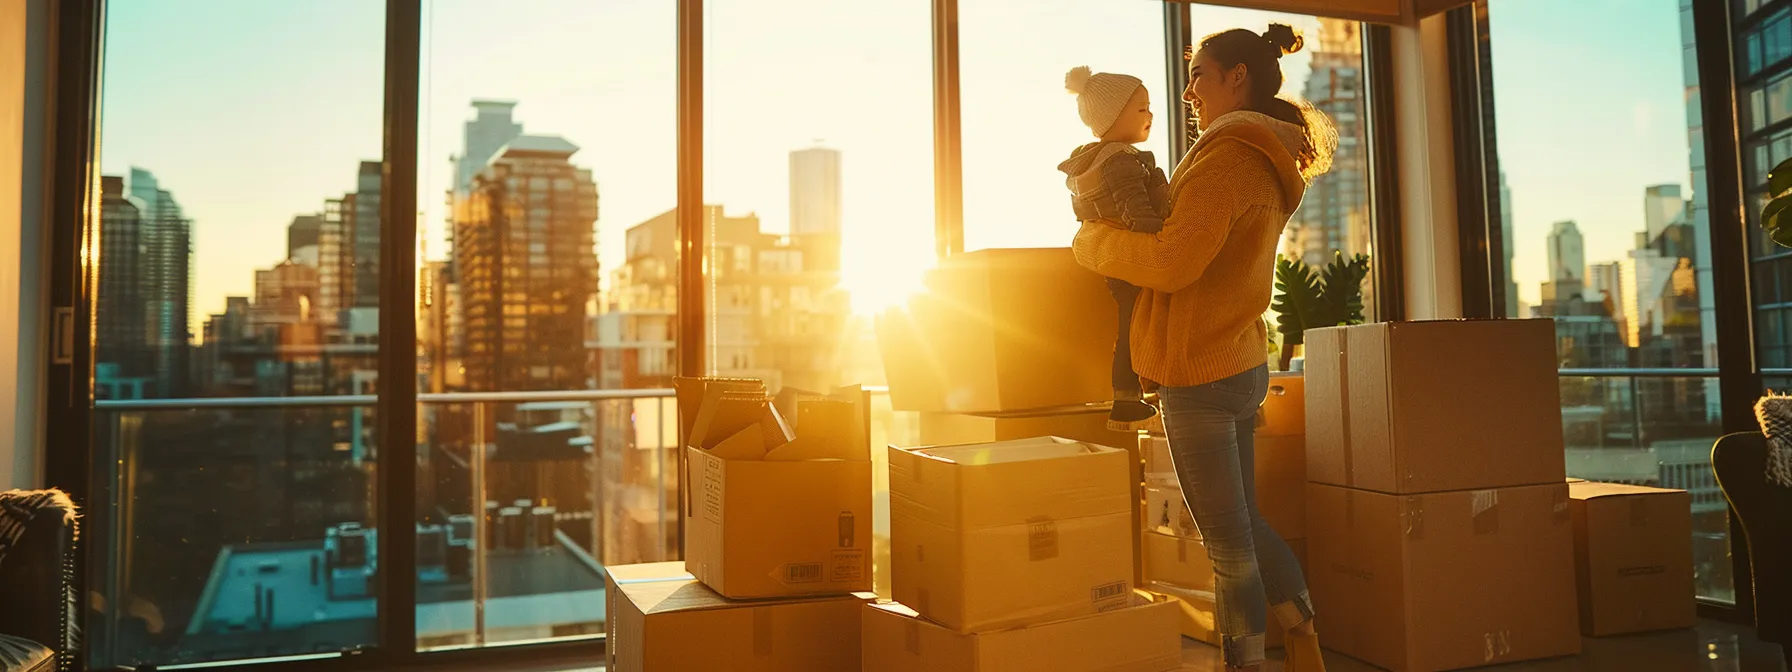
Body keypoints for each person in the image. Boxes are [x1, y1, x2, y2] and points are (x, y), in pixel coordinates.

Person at [1070, 23, 1336, 672]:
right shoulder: (1258, 153)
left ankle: (1245, 661)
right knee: (1244, 522)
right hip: (1236, 358)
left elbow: (1171, 262)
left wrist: (1092, 245)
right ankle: (1304, 641)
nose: (1188, 90)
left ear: (1235, 77)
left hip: (1201, 371)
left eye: (1200, 75)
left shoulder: (1228, 159)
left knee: (1226, 544)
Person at [1057, 66, 1170, 432]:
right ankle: (1130, 398)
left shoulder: (1089, 162)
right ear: (1112, 116)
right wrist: (1163, 247)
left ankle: (1130, 397)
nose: (1150, 115)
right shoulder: (1120, 161)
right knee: (1141, 325)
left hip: (1112, 260)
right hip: (1135, 260)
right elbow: (1136, 210)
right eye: (1141, 109)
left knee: (1130, 325)